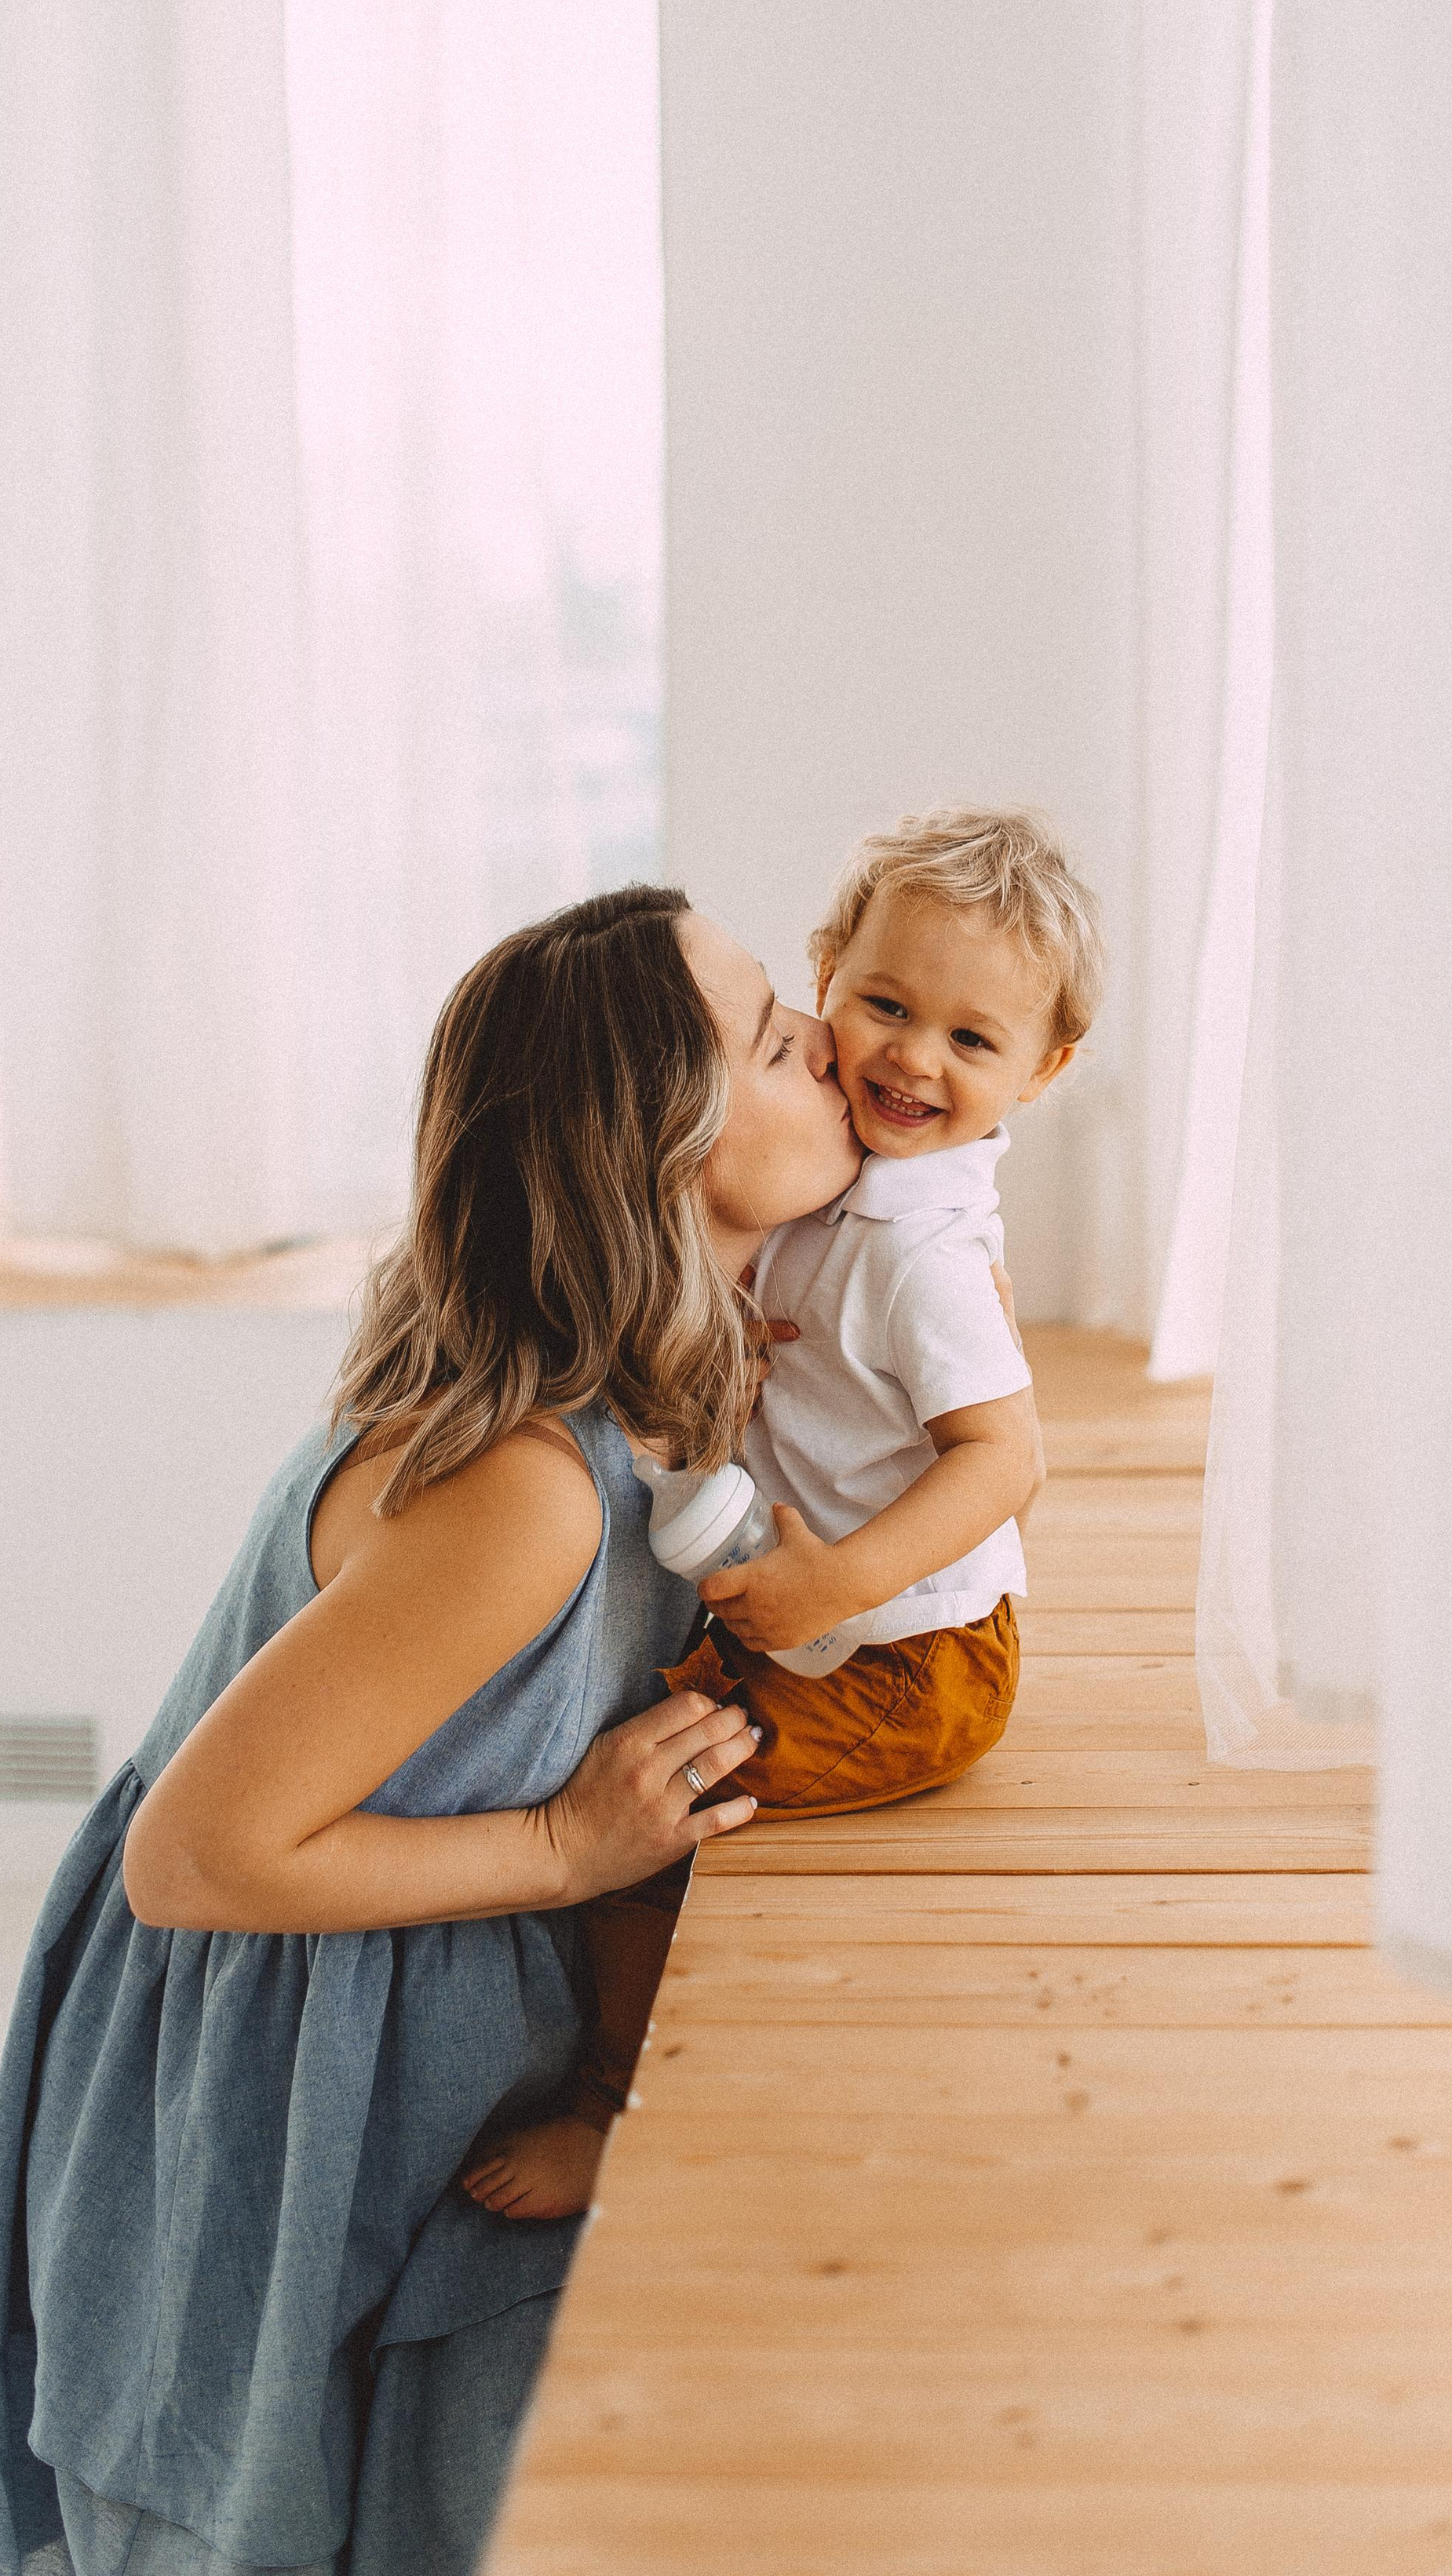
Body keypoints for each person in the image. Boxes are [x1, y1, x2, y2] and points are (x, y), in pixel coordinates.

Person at [0, 887, 865, 2576]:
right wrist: (567, 1847)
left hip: (415, 2021)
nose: (822, 1038)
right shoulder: (525, 1490)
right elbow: (192, 1857)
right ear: (658, 1152)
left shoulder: (674, 1386)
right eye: (766, 1034)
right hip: (279, 2063)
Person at [469, 808, 1099, 2225]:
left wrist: (838, 1585)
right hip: (834, 1616)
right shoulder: (852, 1175)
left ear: (1044, 1070)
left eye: (973, 1039)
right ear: (829, 974)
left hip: (908, 1657)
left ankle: (611, 2111)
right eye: (887, 1005)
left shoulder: (922, 1246)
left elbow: (1005, 1461)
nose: (913, 1060)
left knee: (654, 1807)